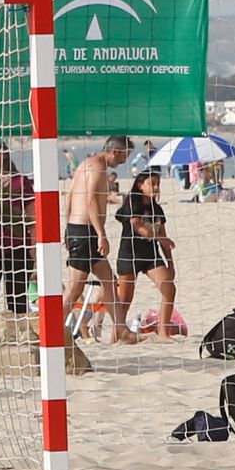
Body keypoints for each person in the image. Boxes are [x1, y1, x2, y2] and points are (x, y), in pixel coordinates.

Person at [60, 136, 136, 343]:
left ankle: (122, 331)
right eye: (124, 156)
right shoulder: (97, 167)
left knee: (110, 282)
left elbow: (69, 197)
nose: (124, 161)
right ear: (115, 151)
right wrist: (101, 234)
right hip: (86, 232)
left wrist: (68, 229)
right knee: (75, 288)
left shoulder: (86, 164)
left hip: (80, 231)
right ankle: (50, 330)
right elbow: (91, 200)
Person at [113, 170, 177, 340]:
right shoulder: (132, 204)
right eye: (151, 183)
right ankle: (115, 336)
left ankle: (164, 333)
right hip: (129, 255)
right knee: (125, 300)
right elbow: (138, 227)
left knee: (169, 289)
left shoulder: (157, 209)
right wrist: (160, 238)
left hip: (151, 256)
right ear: (140, 186)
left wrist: (170, 263)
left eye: (157, 184)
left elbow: (163, 236)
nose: (156, 187)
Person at [0, 141, 34, 314]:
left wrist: (34, 248)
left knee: (17, 301)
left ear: (4, 153)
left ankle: (19, 338)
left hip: (16, 247)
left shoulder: (20, 181)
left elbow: (32, 218)